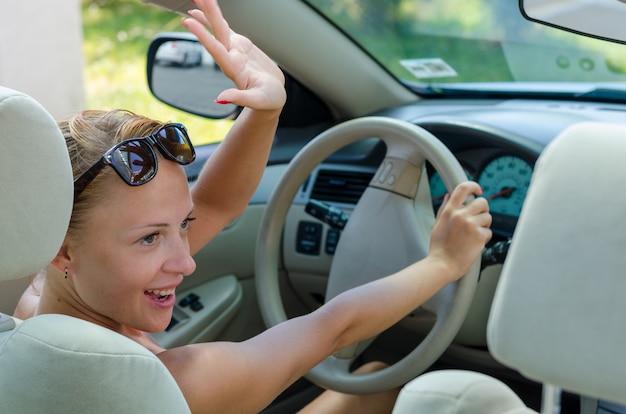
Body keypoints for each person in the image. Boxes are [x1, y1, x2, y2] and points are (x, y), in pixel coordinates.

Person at [14, 0, 492, 413]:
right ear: (62, 249)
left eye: (182, 226)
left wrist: (266, 110)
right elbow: (331, 327)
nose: (186, 260)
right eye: (149, 238)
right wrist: (443, 262)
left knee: (374, 379)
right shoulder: (171, 385)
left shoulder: (33, 307)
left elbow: (216, 203)